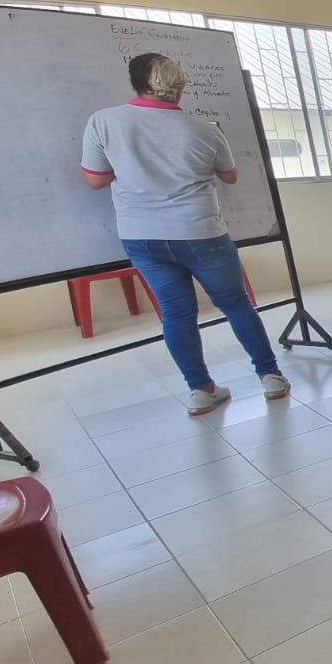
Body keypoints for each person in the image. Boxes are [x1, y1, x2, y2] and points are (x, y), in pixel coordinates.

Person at [81, 53, 289, 415]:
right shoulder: (205, 130)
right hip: (200, 231)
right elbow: (229, 176)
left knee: (176, 313)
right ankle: (270, 376)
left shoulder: (104, 122)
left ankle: (201, 390)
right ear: (180, 88)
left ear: (137, 83)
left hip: (142, 235)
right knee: (235, 303)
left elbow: (95, 180)